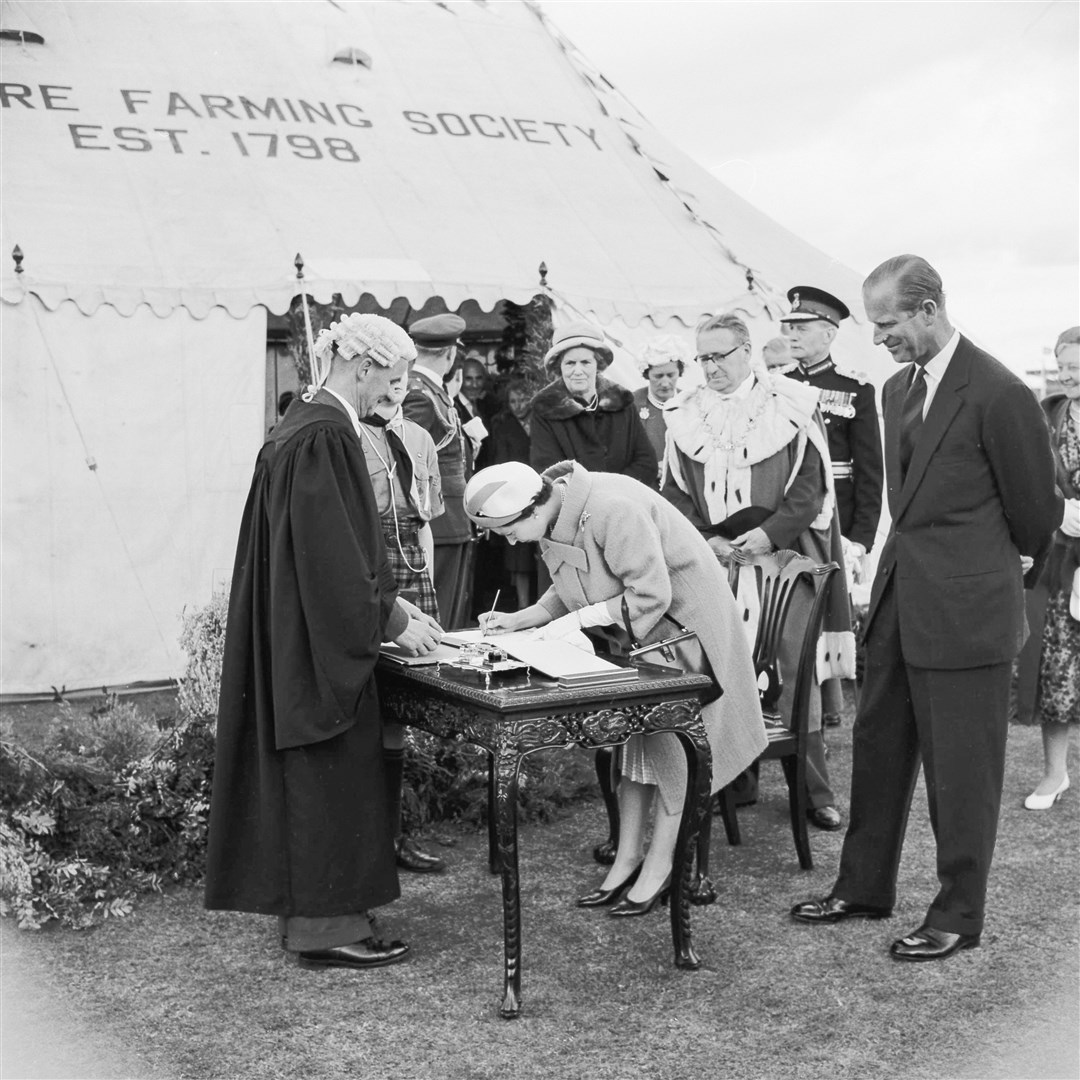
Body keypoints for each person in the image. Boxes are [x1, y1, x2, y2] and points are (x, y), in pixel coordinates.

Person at [792, 255, 1062, 962]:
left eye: (887, 324)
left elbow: (1037, 514)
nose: (879, 337)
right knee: (878, 751)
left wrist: (981, 572)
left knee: (962, 774)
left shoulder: (999, 392)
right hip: (899, 600)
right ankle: (863, 886)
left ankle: (956, 914)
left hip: (968, 614)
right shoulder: (890, 391)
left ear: (929, 307)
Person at [205, 313, 443, 971]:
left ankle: (326, 912)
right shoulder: (326, 436)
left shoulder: (306, 426)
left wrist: (384, 606)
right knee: (328, 769)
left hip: (294, 629)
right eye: (391, 380)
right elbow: (335, 560)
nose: (394, 394)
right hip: (314, 640)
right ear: (360, 367)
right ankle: (324, 925)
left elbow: (327, 546)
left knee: (316, 775)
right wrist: (393, 620)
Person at [466, 460, 767, 914]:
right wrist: (522, 619)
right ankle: (627, 858)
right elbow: (579, 575)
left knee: (676, 754)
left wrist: (575, 622)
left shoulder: (612, 507)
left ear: (531, 510)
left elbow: (649, 594)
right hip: (649, 636)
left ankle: (661, 868)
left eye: (508, 531)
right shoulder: (564, 505)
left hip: (689, 633)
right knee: (635, 750)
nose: (509, 542)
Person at [662, 313, 854, 831]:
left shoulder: (791, 403)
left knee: (794, 674)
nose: (709, 368)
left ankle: (814, 792)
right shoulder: (684, 412)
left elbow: (809, 486)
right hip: (716, 562)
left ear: (746, 351)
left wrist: (769, 536)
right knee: (725, 669)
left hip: (780, 563)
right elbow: (674, 490)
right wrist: (708, 539)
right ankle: (735, 779)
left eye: (718, 356)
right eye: (701, 358)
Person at [782, 286, 883, 727]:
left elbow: (870, 472)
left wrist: (860, 539)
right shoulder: (777, 386)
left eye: (802, 328)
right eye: (789, 327)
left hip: (835, 522)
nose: (792, 335)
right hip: (788, 522)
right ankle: (796, 701)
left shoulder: (855, 389)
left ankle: (828, 707)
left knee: (829, 615)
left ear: (828, 334)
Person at [358, 383, 447, 873]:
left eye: (402, 380)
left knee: (399, 712)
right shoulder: (347, 435)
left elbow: (425, 519)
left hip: (411, 563)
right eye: (386, 381)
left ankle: (395, 837)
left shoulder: (419, 437)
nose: (394, 390)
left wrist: (427, 582)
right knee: (365, 700)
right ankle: (366, 840)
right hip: (369, 564)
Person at [1018, 326, 1080, 809]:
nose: (1068, 376)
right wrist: (1061, 507)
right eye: (1063, 368)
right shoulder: (1049, 412)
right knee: (1057, 666)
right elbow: (1031, 476)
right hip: (1061, 558)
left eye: (1077, 367)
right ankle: (1055, 773)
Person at [402, 313, 472, 626]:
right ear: (450, 353)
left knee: (449, 610)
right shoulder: (421, 394)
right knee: (442, 614)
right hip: (441, 521)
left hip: (448, 518)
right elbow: (410, 461)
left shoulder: (428, 390)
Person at [529, 320, 657, 485]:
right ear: (559, 367)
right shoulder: (545, 408)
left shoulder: (622, 401)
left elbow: (646, 461)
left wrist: (614, 491)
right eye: (570, 363)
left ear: (598, 365)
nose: (578, 371)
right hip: (575, 506)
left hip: (624, 502)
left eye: (585, 362)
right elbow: (548, 470)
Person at [484, 379, 537, 609]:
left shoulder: (539, 421)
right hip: (517, 494)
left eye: (523, 399)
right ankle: (523, 605)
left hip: (539, 489)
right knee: (519, 558)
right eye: (513, 401)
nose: (518, 405)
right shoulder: (502, 425)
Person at [631, 336, 688, 484]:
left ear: (680, 372)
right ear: (646, 374)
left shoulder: (690, 404)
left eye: (671, 375)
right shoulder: (632, 404)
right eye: (658, 376)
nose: (664, 383)